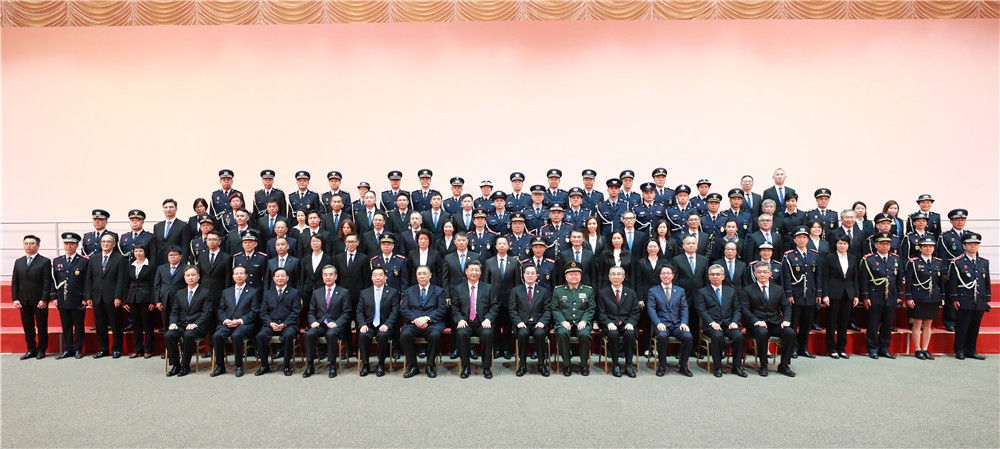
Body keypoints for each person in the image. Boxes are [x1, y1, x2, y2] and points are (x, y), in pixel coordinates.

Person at [743, 263, 797, 377]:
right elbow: (745, 309)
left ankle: (784, 365)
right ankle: (763, 365)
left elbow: (786, 307)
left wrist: (786, 320)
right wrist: (756, 321)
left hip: (774, 323)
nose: (762, 274)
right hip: (756, 324)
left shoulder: (778, 289)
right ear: (755, 274)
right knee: (762, 333)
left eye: (765, 272)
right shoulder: (747, 290)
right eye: (759, 272)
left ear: (770, 274)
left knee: (790, 333)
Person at [695, 264, 746, 378]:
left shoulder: (731, 291)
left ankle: (736, 367)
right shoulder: (702, 292)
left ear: (723, 276)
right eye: (712, 274)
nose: (715, 276)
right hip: (712, 325)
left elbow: (737, 309)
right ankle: (717, 367)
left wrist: (734, 321)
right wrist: (712, 323)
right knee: (717, 336)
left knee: (738, 337)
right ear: (709, 276)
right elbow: (701, 311)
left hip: (729, 324)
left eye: (718, 274)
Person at [450, 261, 498, 379]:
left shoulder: (488, 288)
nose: (474, 272)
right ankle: (466, 366)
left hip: (483, 322)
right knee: (461, 334)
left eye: (477, 270)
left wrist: (488, 319)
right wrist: (459, 319)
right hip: (466, 322)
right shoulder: (458, 288)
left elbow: (494, 306)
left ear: (480, 272)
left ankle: (486, 367)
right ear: (466, 271)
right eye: (471, 270)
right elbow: (454, 307)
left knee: (487, 334)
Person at [860, 232, 904, 359]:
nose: (885, 246)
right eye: (882, 243)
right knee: (873, 324)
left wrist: (900, 295)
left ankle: (884, 348)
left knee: (887, 324)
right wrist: (865, 297)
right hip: (875, 296)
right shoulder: (869, 260)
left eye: (887, 244)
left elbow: (899, 279)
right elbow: (864, 280)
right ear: (876, 245)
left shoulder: (896, 259)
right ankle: (873, 349)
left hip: (891, 296)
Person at [947, 232, 990, 360]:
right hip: (964, 298)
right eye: (970, 244)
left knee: (974, 327)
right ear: (964, 246)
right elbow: (953, 283)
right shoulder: (957, 262)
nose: (973, 246)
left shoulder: (983, 262)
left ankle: (971, 350)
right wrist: (954, 298)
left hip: (979, 299)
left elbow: (986, 281)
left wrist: (987, 298)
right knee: (962, 326)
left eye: (976, 244)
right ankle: (959, 350)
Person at [210, 266, 259, 377]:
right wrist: (226, 320)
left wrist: (240, 321)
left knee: (236, 335)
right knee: (217, 336)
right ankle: (220, 366)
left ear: (246, 276)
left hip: (244, 324)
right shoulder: (226, 292)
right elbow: (221, 310)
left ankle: (238, 366)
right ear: (233, 276)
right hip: (228, 323)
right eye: (236, 273)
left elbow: (254, 312)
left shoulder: (253, 291)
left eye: (241, 273)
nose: (238, 276)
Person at [400, 266, 448, 378]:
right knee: (405, 334)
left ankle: (430, 366)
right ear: (416, 276)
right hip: (413, 323)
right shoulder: (408, 291)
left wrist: (427, 318)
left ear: (430, 275)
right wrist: (417, 320)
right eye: (419, 274)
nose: (422, 276)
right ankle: (413, 366)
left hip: (433, 323)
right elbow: (404, 309)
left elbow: (441, 309)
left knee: (435, 335)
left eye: (424, 274)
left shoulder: (439, 291)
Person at [303, 265, 351, 378]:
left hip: (335, 325)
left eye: (330, 274)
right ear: (322, 276)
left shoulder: (344, 292)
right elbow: (311, 311)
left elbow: (346, 313)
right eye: (325, 275)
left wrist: (337, 323)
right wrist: (312, 322)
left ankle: (332, 365)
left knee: (331, 334)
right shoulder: (316, 292)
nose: (328, 277)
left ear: (336, 276)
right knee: (309, 334)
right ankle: (310, 365)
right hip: (319, 324)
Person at [85, 233, 128, 358]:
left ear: (114, 244)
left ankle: (116, 349)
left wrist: (119, 296)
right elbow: (89, 279)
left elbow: (121, 280)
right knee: (100, 325)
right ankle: (103, 349)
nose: (105, 244)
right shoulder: (94, 258)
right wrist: (88, 297)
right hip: (97, 297)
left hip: (113, 298)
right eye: (103, 241)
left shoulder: (120, 259)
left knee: (116, 325)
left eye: (109, 242)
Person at [646, 264, 694, 377]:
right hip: (661, 324)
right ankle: (662, 366)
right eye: (663, 273)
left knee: (688, 336)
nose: (666, 276)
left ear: (673, 275)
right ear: (660, 275)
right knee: (662, 336)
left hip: (677, 324)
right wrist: (658, 323)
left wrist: (684, 322)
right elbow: (651, 309)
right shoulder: (653, 291)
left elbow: (684, 308)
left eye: (668, 273)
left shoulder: (680, 291)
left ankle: (683, 366)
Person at [783, 225, 823, 358]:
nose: (802, 240)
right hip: (795, 295)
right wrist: (789, 293)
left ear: (808, 239)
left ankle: (803, 348)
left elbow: (818, 276)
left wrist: (818, 293)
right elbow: (786, 277)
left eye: (804, 237)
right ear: (794, 240)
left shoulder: (814, 255)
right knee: (794, 323)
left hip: (810, 294)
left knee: (807, 324)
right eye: (799, 238)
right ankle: (793, 348)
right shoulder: (789, 256)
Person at [165, 265, 212, 377]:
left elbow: (207, 313)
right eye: (188, 275)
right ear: (184, 278)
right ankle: (176, 365)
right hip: (182, 324)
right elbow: (174, 312)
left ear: (198, 276)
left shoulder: (205, 292)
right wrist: (173, 323)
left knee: (188, 335)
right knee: (169, 335)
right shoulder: (180, 293)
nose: (190, 277)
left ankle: (185, 366)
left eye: (193, 275)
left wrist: (195, 324)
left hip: (198, 325)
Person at [11, 235, 53, 360]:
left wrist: (44, 299)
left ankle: (41, 349)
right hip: (23, 300)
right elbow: (15, 282)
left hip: (39, 300)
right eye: (26, 243)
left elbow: (47, 282)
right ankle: (31, 349)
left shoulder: (45, 261)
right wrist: (15, 298)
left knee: (41, 326)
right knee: (27, 326)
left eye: (32, 243)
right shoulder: (19, 262)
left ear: (38, 246)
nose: (29, 246)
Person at [551, 262, 596, 376]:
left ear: (581, 276)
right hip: (564, 322)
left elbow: (591, 308)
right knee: (562, 333)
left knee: (585, 335)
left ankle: (584, 365)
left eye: (576, 274)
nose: (574, 276)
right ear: (566, 277)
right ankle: (567, 365)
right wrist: (562, 321)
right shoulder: (558, 290)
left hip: (582, 322)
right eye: (571, 274)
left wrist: (584, 320)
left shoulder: (588, 290)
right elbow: (555, 308)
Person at [255, 268, 301, 376]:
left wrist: (284, 324)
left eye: (283, 276)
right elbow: (263, 312)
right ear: (273, 278)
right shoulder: (268, 293)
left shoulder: (294, 292)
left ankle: (286, 366)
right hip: (271, 324)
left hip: (289, 324)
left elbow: (296, 311)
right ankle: (264, 365)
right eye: (278, 276)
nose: (280, 278)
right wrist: (270, 323)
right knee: (261, 335)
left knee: (288, 335)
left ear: (287, 278)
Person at [905, 237, 945, 360]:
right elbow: (909, 281)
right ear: (920, 248)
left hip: (933, 297)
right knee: (917, 323)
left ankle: (925, 349)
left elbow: (941, 282)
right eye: (925, 246)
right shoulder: (913, 262)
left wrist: (942, 296)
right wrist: (909, 297)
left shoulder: (938, 262)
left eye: (931, 246)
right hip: (918, 297)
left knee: (928, 324)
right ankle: (917, 349)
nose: (928, 248)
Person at [483, 236, 522, 360]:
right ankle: (496, 349)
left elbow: (517, 283)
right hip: (493, 300)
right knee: (494, 325)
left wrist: (515, 299)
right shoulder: (489, 262)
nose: (501, 245)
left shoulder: (514, 262)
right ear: (495, 246)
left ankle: (506, 349)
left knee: (507, 326)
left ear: (508, 246)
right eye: (499, 243)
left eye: (504, 243)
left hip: (509, 300)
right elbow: (486, 283)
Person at [356, 267, 400, 377]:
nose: (378, 277)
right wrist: (362, 324)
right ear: (371, 278)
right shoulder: (364, 293)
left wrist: (387, 324)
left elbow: (395, 311)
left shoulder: (393, 292)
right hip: (369, 325)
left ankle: (381, 364)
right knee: (363, 335)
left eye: (380, 275)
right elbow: (359, 311)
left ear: (385, 277)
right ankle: (365, 365)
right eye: (375, 275)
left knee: (383, 335)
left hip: (384, 324)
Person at [51, 232, 89, 359]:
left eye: (72, 244)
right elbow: (53, 281)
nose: (69, 246)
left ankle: (78, 349)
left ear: (77, 245)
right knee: (66, 325)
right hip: (63, 299)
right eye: (66, 243)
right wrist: (54, 297)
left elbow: (87, 281)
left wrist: (85, 297)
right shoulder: (57, 261)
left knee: (79, 326)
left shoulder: (84, 261)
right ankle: (68, 349)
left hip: (78, 299)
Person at [597, 266, 640, 378]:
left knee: (630, 334)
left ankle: (628, 365)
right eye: (613, 274)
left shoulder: (631, 293)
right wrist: (608, 323)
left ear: (623, 277)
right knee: (613, 334)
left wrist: (631, 323)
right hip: (610, 324)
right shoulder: (603, 293)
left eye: (619, 274)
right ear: (609, 277)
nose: (616, 277)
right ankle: (615, 364)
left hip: (627, 323)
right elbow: (601, 313)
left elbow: (635, 312)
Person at [509, 266, 551, 377]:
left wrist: (542, 322)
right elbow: (512, 309)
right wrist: (518, 322)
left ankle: (542, 365)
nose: (530, 276)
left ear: (537, 276)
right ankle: (522, 365)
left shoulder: (543, 291)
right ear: (523, 275)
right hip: (522, 324)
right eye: (527, 273)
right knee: (523, 334)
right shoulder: (516, 290)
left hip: (538, 323)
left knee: (540, 334)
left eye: (533, 273)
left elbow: (547, 310)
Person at [821, 235, 859, 359]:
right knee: (832, 322)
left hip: (848, 293)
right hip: (833, 293)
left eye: (845, 243)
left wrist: (856, 295)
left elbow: (855, 278)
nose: (842, 246)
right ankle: (832, 348)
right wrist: (825, 295)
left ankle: (841, 348)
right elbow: (825, 277)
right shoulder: (829, 258)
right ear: (836, 244)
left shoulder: (853, 258)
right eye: (840, 243)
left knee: (844, 322)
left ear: (848, 245)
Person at [671, 235, 709, 339]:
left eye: (693, 243)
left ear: (697, 245)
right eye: (688, 243)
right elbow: (675, 280)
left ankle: (695, 346)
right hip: (683, 296)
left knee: (695, 323)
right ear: (683, 246)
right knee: (683, 323)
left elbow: (706, 279)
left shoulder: (704, 260)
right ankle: (684, 346)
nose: (691, 245)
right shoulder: (677, 260)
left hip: (699, 296)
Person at [124, 244, 156, 358]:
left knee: (147, 325)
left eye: (140, 251)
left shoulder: (151, 265)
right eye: (136, 251)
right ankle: (137, 350)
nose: (138, 253)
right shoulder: (130, 265)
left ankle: (148, 349)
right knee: (136, 325)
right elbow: (126, 284)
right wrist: (125, 301)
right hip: (132, 298)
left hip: (146, 299)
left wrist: (153, 301)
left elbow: (153, 284)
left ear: (145, 252)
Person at [154, 246, 187, 338]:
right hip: (165, 300)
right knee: (166, 324)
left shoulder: (186, 268)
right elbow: (157, 285)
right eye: (170, 255)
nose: (172, 257)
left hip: (180, 300)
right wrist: (157, 301)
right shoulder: (161, 268)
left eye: (175, 255)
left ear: (180, 256)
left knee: (179, 324)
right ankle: (168, 345)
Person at [155, 198, 192, 265]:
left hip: (177, 262)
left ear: (176, 209)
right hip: (160, 262)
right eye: (166, 207)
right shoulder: (157, 226)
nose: (168, 209)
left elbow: (185, 247)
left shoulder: (183, 225)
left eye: (171, 207)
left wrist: (183, 263)